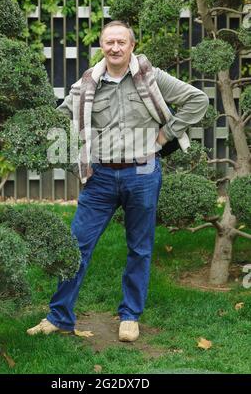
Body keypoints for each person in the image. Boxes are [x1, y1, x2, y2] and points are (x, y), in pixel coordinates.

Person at [27, 20, 209, 342]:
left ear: (131, 46)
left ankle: (130, 315)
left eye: (120, 42)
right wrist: (60, 148)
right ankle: (59, 316)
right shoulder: (85, 86)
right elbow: (57, 120)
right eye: (109, 42)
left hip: (142, 173)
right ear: (102, 46)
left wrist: (165, 135)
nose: (114, 48)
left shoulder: (151, 78)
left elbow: (197, 100)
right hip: (100, 177)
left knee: (139, 246)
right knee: (77, 245)